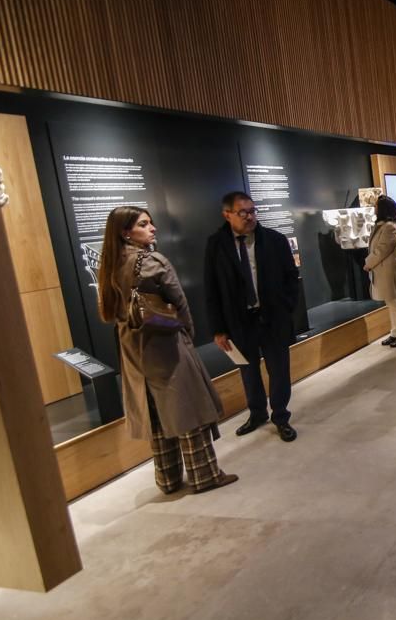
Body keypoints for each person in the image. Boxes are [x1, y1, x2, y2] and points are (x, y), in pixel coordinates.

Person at [96, 206, 237, 494]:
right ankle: (204, 476)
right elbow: (179, 303)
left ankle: (168, 479)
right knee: (187, 408)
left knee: (156, 414)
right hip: (165, 344)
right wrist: (187, 333)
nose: (153, 228)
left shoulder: (109, 264)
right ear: (126, 232)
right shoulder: (152, 262)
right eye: (144, 224)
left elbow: (109, 312)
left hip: (132, 350)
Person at [204, 191, 300, 443]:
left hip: (273, 318)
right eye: (243, 212)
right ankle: (257, 413)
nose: (250, 217)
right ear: (227, 215)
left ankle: (281, 416)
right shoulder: (216, 245)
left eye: (252, 211)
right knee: (248, 371)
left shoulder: (275, 240)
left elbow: (292, 278)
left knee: (279, 370)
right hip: (239, 321)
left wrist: (286, 307)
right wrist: (218, 329)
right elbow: (211, 288)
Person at [364, 194, 396, 348]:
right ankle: (395, 332)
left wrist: (368, 263)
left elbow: (381, 250)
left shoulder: (390, 227)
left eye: (377, 206)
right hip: (386, 271)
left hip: (390, 272)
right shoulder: (386, 225)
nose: (374, 209)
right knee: (392, 303)